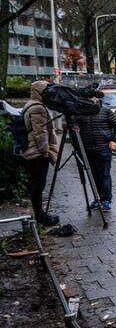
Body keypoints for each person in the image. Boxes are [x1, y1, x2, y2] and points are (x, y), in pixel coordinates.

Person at [21, 80, 59, 227]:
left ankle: (40, 215)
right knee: (38, 185)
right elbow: (40, 132)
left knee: (36, 185)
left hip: (31, 151)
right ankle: (41, 217)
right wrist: (46, 151)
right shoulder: (37, 108)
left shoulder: (31, 104)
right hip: (36, 153)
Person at [75, 102, 116, 212]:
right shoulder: (79, 112)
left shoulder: (104, 111)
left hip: (103, 148)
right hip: (86, 149)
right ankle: (98, 198)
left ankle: (106, 200)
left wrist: (115, 140)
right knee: (93, 175)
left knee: (104, 174)